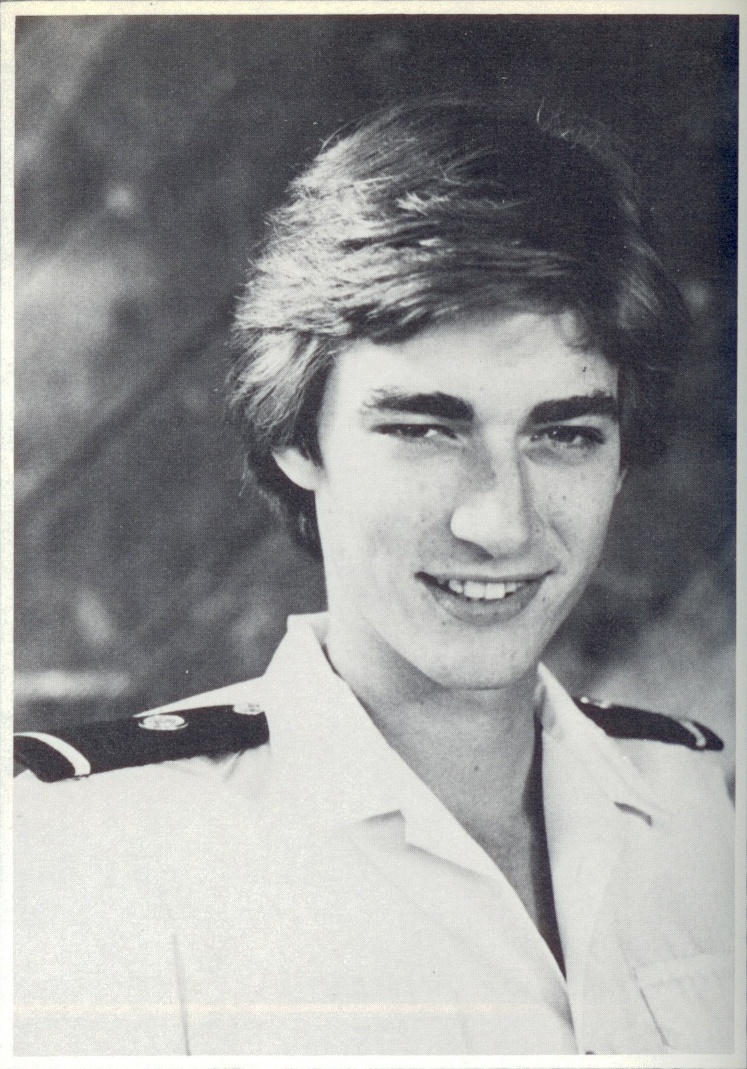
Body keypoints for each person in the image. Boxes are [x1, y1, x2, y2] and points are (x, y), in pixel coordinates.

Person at [14, 96, 734, 1057]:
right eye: (426, 429)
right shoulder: (104, 855)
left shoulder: (699, 805)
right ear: (297, 438)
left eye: (563, 434)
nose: (500, 521)